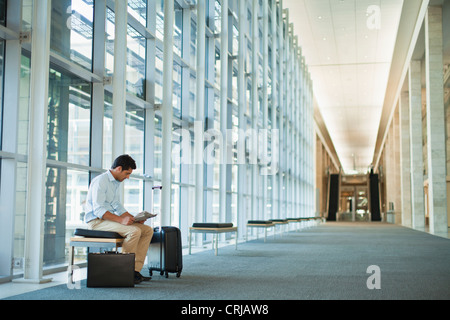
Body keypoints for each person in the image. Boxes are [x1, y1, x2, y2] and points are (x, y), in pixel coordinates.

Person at [84, 154, 153, 284]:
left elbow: (117, 205)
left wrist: (132, 218)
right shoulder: (101, 181)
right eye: (127, 174)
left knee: (147, 230)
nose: (127, 177)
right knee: (133, 231)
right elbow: (98, 210)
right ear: (119, 168)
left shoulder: (115, 183)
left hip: (108, 220)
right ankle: (124, 272)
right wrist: (121, 220)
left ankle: (135, 271)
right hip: (96, 222)